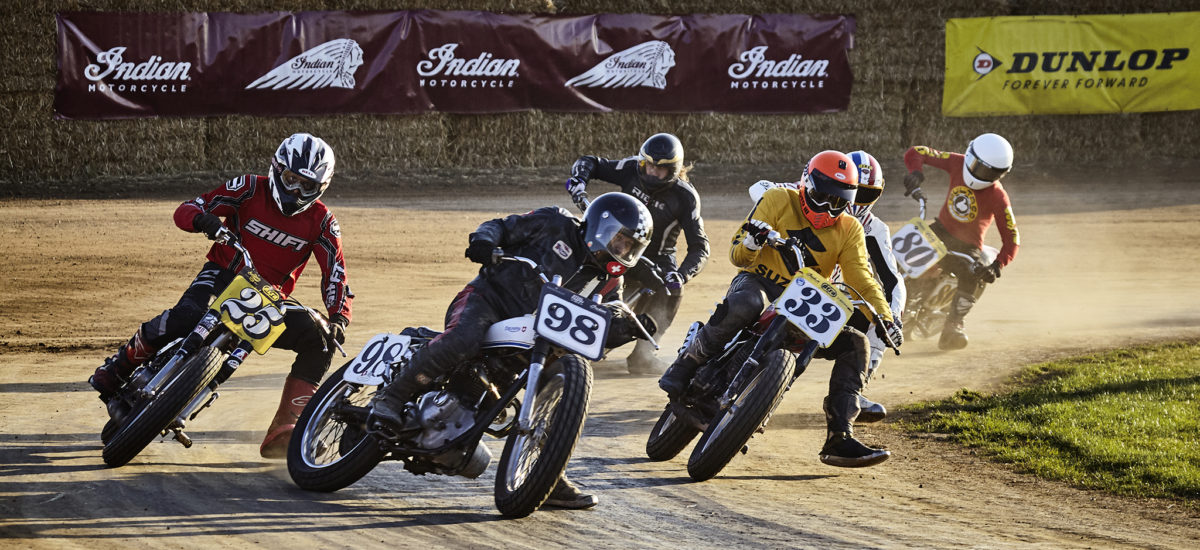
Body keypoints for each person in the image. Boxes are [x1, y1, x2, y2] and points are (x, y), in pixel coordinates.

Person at [368, 192, 656, 509]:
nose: (621, 249)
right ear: (601, 226)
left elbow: (601, 328)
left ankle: (543, 472)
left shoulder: (610, 285)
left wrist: (626, 328)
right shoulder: (555, 222)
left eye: (629, 246)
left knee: (561, 393)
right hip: (489, 300)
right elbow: (502, 227)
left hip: (535, 344)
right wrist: (485, 242)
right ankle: (391, 397)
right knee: (464, 339)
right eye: (619, 239)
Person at [88, 133, 353, 459]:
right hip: (224, 271)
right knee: (187, 316)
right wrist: (203, 219)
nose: (296, 191)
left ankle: (289, 427)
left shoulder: (324, 221)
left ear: (321, 189)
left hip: (270, 299)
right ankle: (119, 366)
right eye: (290, 180)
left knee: (321, 339)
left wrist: (339, 316)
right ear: (276, 169)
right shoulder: (248, 187)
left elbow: (336, 273)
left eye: (307, 187)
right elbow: (189, 208)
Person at [659, 150, 903, 468]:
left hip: (807, 297)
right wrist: (754, 242)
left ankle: (839, 437)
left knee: (856, 343)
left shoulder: (851, 229)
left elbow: (864, 279)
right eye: (821, 196)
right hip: (760, 282)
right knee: (747, 303)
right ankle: (686, 363)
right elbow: (737, 256)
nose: (828, 208)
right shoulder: (777, 198)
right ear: (806, 183)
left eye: (838, 202)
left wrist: (883, 315)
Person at [565, 132, 709, 375]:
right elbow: (591, 162)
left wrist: (682, 275)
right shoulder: (632, 167)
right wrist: (579, 180)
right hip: (617, 243)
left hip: (656, 257)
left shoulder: (686, 197)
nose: (651, 172)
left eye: (659, 169)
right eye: (648, 164)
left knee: (673, 288)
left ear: (673, 170)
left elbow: (700, 247)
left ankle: (643, 355)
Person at [901, 133, 1020, 350]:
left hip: (968, 246)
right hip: (939, 231)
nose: (976, 172)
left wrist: (997, 265)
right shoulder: (957, 162)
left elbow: (1012, 238)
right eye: (974, 164)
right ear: (969, 153)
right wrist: (915, 172)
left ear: (1000, 174)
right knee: (895, 255)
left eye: (986, 171)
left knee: (973, 276)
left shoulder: (998, 196)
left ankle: (953, 325)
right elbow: (916, 152)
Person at [843, 151, 906, 422]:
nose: (858, 201)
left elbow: (893, 279)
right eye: (854, 191)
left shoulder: (875, 229)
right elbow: (760, 188)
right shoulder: (810, 200)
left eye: (866, 194)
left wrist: (892, 318)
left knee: (881, 323)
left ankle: (852, 393)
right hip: (795, 281)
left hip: (841, 297)